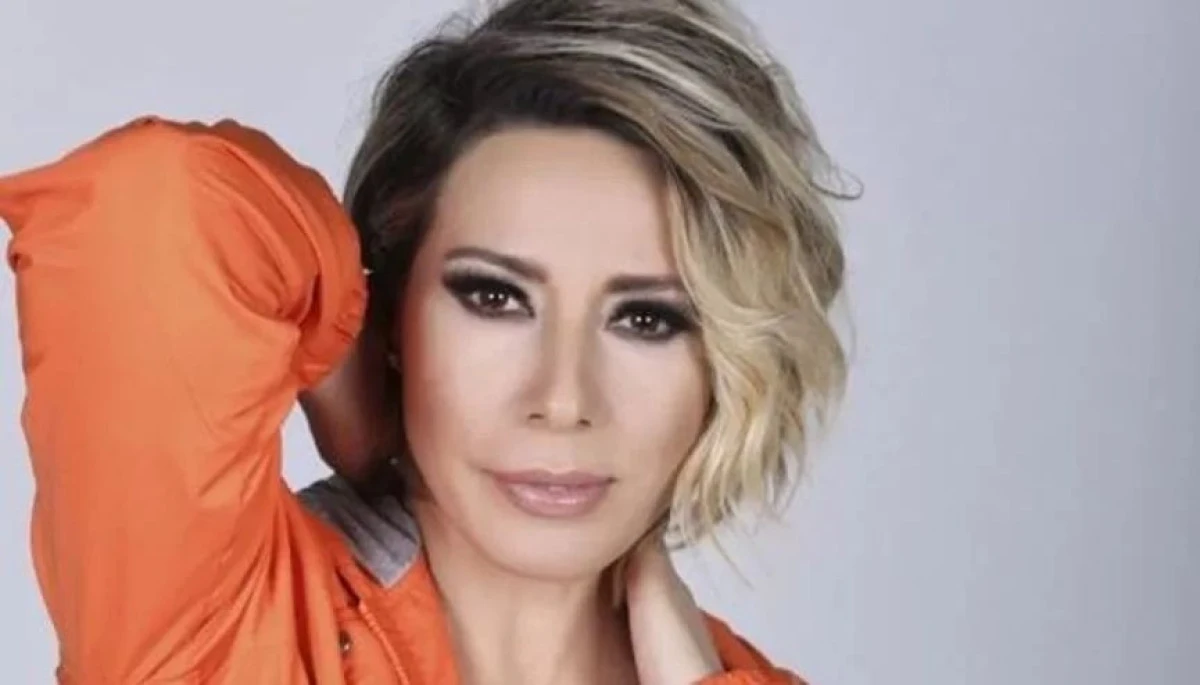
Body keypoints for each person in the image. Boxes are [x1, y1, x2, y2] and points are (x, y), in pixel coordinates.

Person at [0, 0, 847, 682]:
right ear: (397, 311)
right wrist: (342, 358)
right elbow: (152, 205)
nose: (562, 399)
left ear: (725, 358)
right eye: (495, 296)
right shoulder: (215, 633)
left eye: (646, 319)